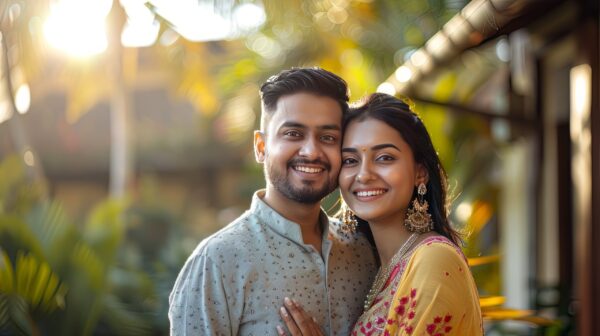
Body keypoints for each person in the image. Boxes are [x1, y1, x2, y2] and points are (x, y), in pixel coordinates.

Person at [168, 67, 377, 336]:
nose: (312, 151)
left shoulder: (362, 249)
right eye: (293, 134)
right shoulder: (219, 261)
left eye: (328, 138)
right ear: (261, 146)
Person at [278, 93, 483, 335]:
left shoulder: (433, 259)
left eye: (384, 158)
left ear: (420, 172)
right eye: (350, 160)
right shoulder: (376, 268)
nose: (364, 175)